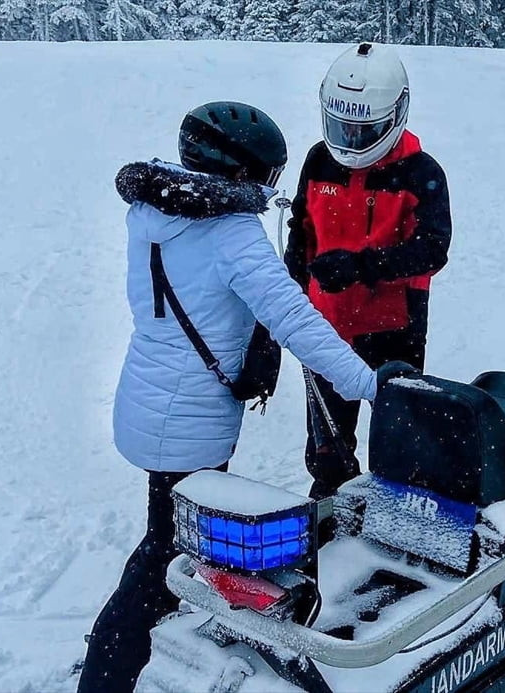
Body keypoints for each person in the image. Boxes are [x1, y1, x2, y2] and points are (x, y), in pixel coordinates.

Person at [78, 102, 381, 693]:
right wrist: (370, 385)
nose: (271, 189)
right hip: (188, 417)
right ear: (239, 174)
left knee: (171, 535)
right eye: (268, 176)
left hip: (148, 392)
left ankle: (143, 644)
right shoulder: (232, 233)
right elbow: (296, 318)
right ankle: (106, 672)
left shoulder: (153, 205)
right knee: (163, 557)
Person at [284, 42, 452, 500]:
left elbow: (433, 250)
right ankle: (330, 508)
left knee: (397, 436)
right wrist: (288, 295)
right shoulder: (319, 160)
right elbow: (301, 231)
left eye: (365, 131)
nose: (352, 142)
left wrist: (362, 267)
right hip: (324, 326)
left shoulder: (421, 173)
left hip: (393, 329)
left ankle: (394, 510)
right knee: (327, 446)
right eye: (344, 129)